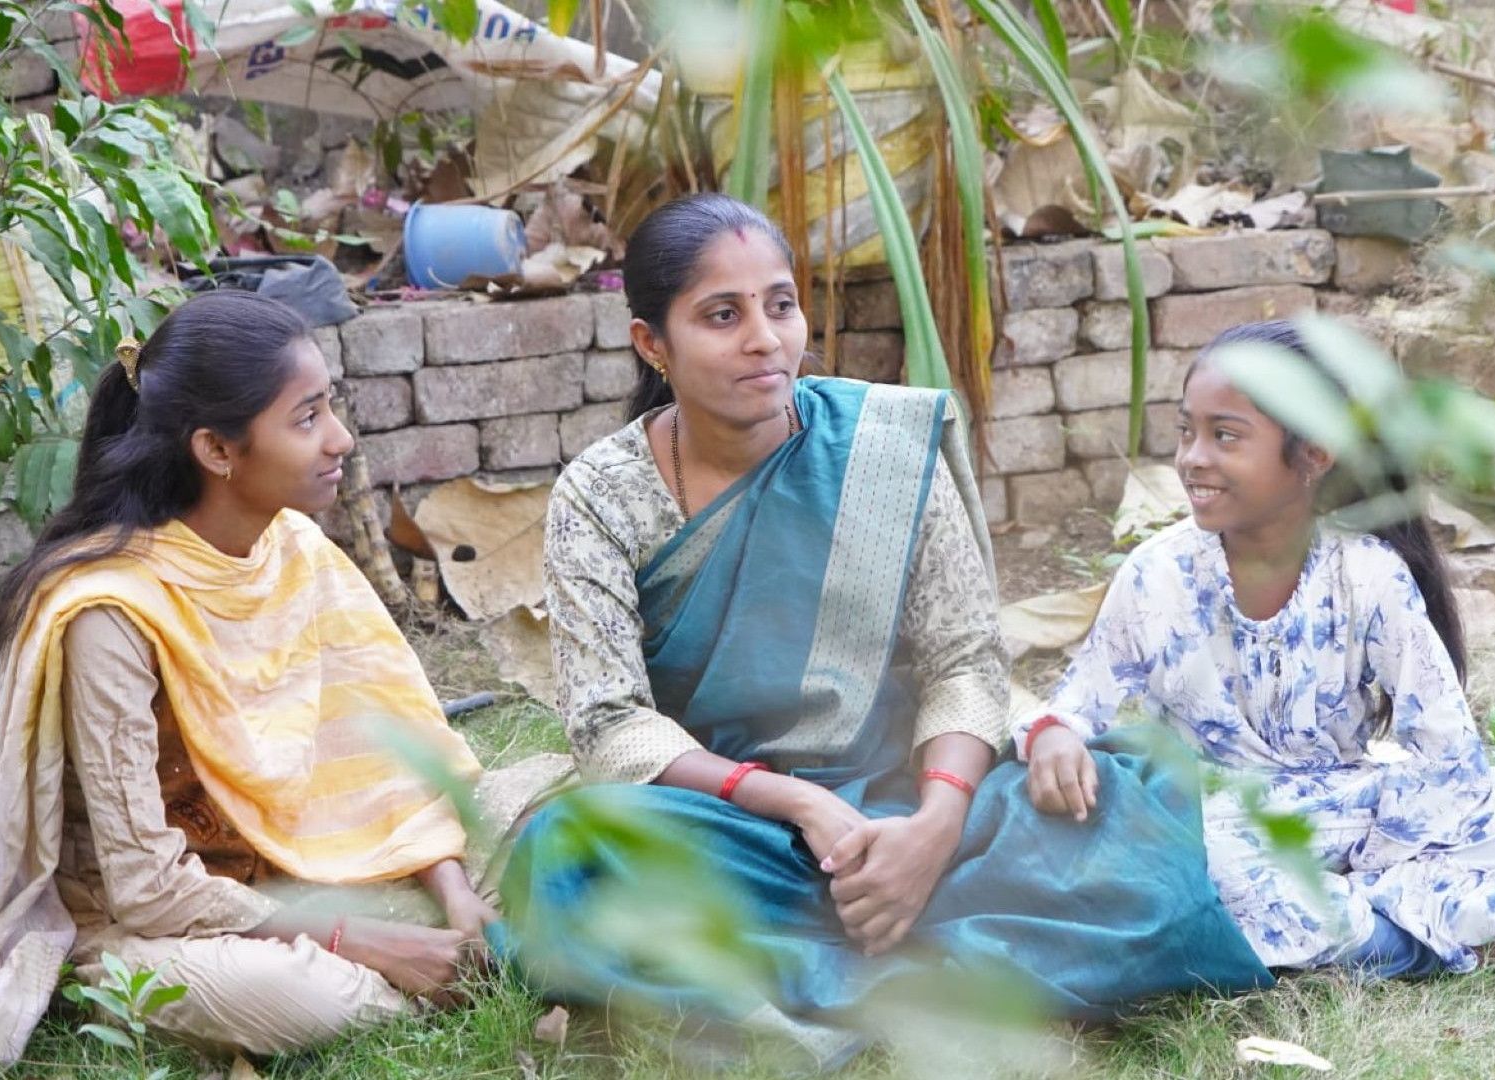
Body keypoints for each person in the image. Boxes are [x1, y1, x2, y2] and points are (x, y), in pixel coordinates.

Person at [495, 194, 1269, 1066]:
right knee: (568, 850)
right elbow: (609, 723)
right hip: (727, 822)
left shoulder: (882, 444)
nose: (765, 338)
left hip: (904, 798)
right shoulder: (602, 496)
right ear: (652, 344)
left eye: (780, 304)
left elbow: (964, 661)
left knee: (1129, 834)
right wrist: (794, 801)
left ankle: (754, 989)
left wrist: (933, 830)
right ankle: (927, 981)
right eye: (723, 315)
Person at [0, 292, 494, 1066]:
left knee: (526, 814)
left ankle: (430, 940)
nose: (341, 439)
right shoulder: (111, 611)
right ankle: (71, 977)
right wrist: (356, 939)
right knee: (314, 996)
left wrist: (457, 897)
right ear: (218, 451)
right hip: (137, 922)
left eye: (329, 408)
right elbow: (146, 889)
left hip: (285, 869)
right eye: (306, 419)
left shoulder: (294, 548)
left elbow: (390, 769)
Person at [1020, 320, 1495, 980]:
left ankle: (1358, 927)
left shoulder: (1369, 575)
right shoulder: (1154, 574)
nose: (1193, 457)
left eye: (1224, 436)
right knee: (1198, 873)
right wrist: (1056, 738)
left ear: (1313, 455)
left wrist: (1385, 850)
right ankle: (1444, 940)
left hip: (1358, 817)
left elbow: (1448, 754)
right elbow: (1078, 704)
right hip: (1222, 830)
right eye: (1186, 430)